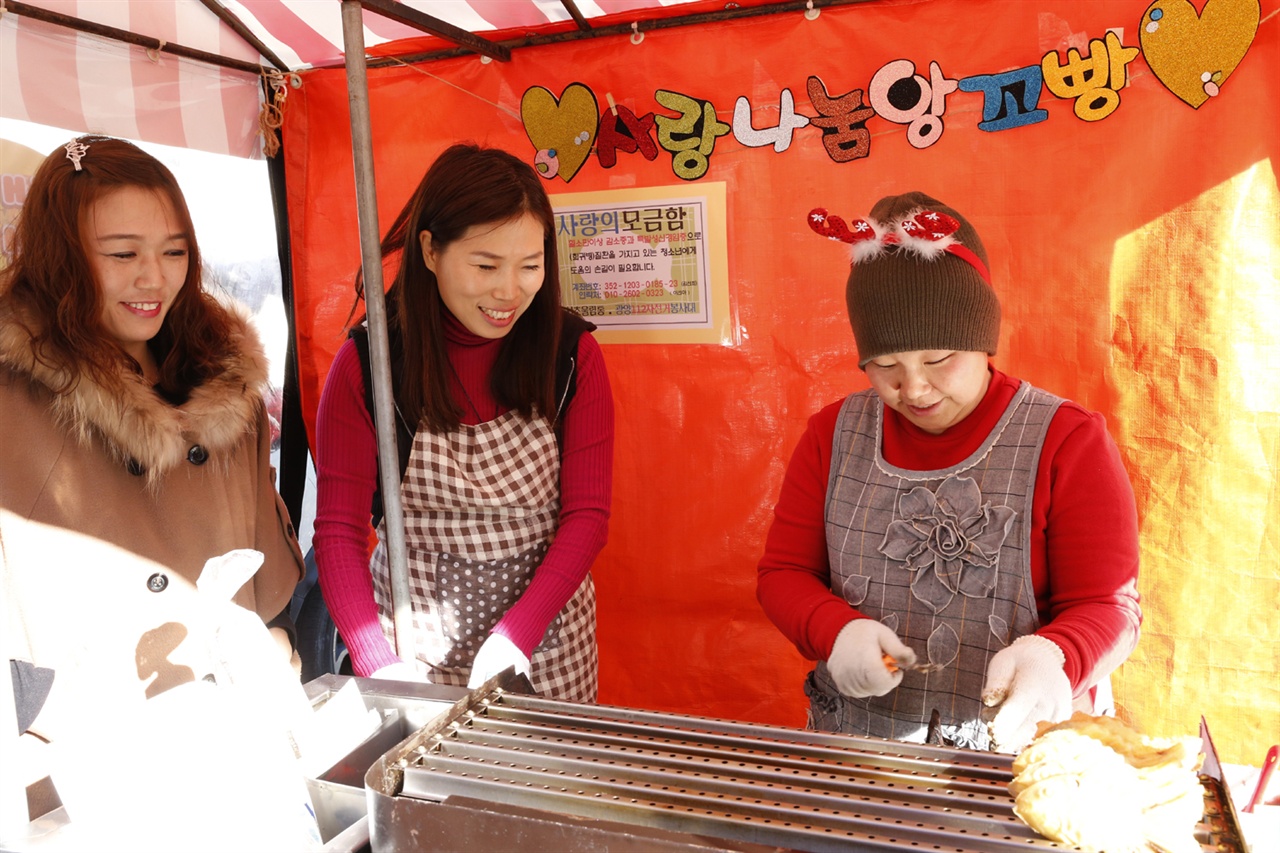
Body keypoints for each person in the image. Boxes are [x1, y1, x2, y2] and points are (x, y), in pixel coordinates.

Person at [757, 191, 1141, 753]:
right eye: (884, 366)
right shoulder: (832, 435)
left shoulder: (1066, 439)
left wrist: (1055, 654)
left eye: (938, 361)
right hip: (863, 746)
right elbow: (784, 573)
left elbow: (1110, 604)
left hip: (1022, 748)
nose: (912, 388)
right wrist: (835, 629)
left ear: (982, 342)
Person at [0, 135, 305, 736]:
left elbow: (265, 568)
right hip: (87, 749)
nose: (153, 279)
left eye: (174, 251)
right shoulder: (14, 393)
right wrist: (40, 708)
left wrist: (275, 641)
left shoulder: (224, 378)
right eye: (121, 255)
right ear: (60, 257)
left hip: (236, 724)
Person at [313, 143, 614, 701]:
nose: (509, 291)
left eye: (530, 266)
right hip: (414, 654)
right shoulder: (369, 365)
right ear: (429, 250)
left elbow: (587, 517)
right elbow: (338, 532)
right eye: (485, 265)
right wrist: (378, 663)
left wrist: (513, 638)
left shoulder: (570, 355)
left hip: (546, 649)